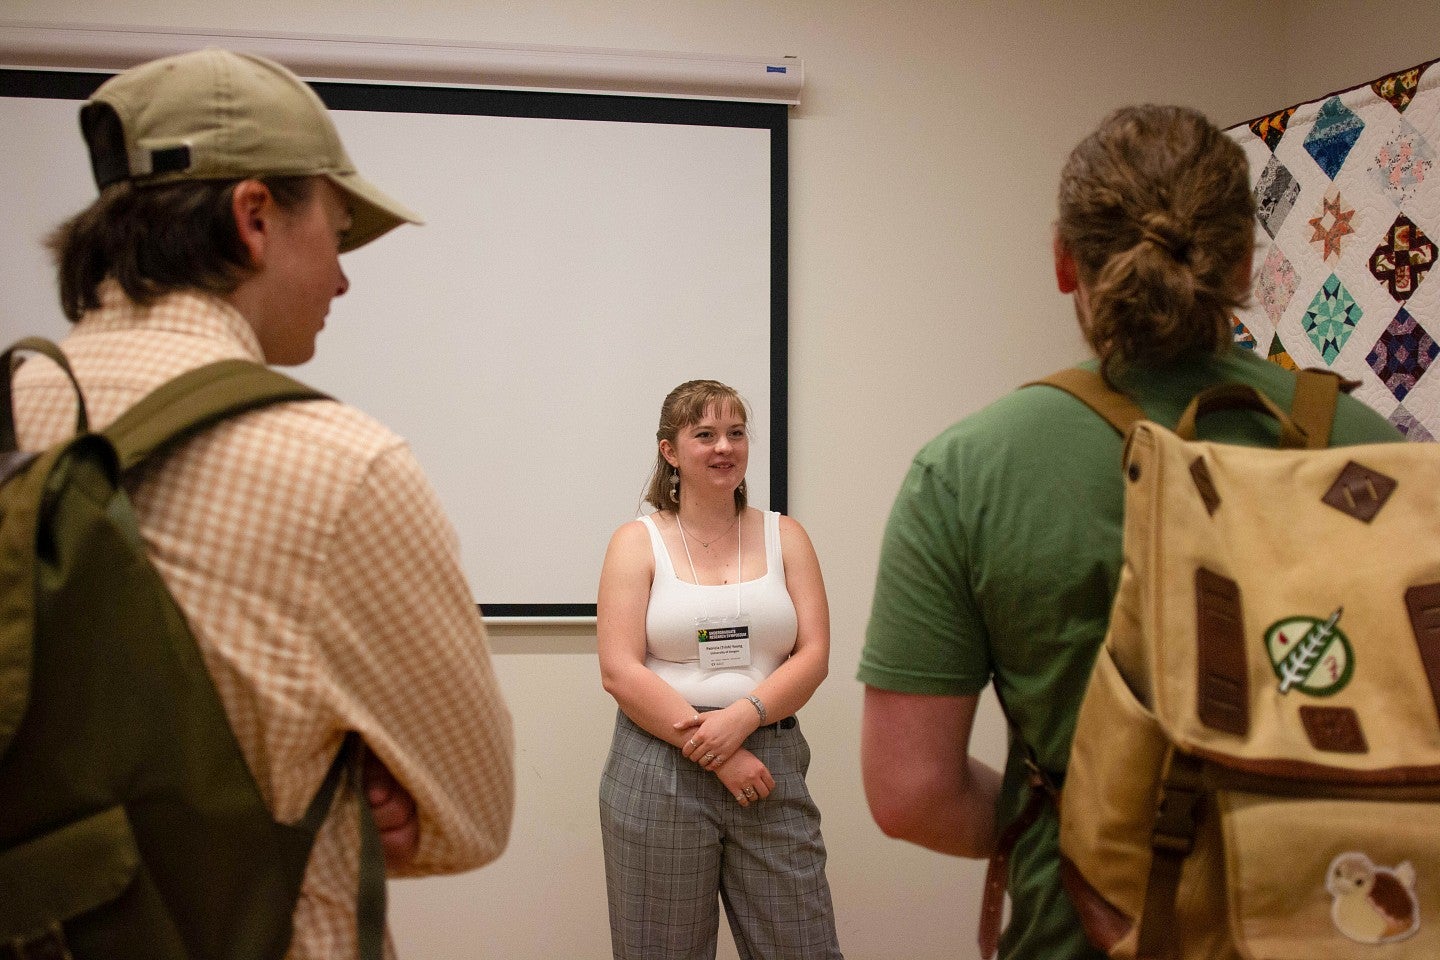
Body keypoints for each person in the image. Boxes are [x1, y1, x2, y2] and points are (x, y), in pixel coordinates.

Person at [857, 104, 1404, 960]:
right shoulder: (1377, 453)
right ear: (1246, 261)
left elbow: (909, 794)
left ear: (1064, 261)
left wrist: (1076, 819)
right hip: (1346, 925)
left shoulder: (966, 473)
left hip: (1092, 929)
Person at [12, 49, 515, 957]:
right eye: (336, 226)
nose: (343, 277)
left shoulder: (9, 410)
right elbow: (470, 815)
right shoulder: (344, 466)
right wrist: (355, 786)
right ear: (254, 216)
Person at [597, 379, 844, 960]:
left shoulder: (786, 535)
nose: (723, 447)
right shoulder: (637, 542)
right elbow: (619, 670)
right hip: (659, 765)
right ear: (670, 451)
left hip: (770, 759)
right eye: (703, 434)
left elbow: (814, 655)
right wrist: (720, 749)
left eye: (735, 433)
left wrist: (743, 718)